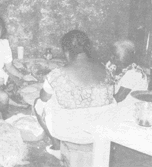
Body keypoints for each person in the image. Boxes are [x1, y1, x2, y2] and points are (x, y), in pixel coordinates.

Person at [33, 30, 115, 160]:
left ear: (66, 51)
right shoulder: (106, 70)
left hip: (71, 131)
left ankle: (57, 147)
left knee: (39, 103)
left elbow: (43, 97)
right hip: (101, 130)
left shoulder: (57, 74)